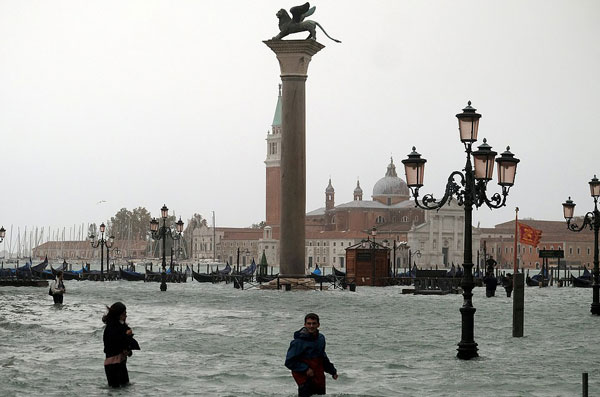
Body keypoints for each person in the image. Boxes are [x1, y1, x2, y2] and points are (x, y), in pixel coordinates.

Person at [285, 313, 338, 396]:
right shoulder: (298, 342)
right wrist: (305, 369)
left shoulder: (321, 338)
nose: (311, 326)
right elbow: (289, 362)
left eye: (314, 323)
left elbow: (322, 357)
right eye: (309, 323)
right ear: (305, 325)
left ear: (318, 325)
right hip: (304, 378)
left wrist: (332, 371)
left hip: (319, 377)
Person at [102, 302, 140, 388]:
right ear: (118, 315)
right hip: (113, 364)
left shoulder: (121, 326)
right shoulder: (111, 328)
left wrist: (128, 350)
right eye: (124, 314)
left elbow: (125, 343)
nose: (126, 316)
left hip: (120, 362)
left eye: (126, 313)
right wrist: (126, 336)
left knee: (124, 387)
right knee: (117, 389)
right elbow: (114, 344)